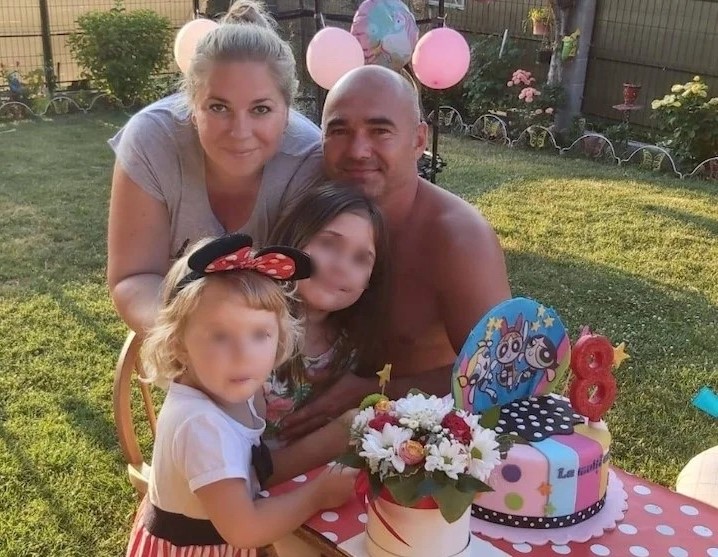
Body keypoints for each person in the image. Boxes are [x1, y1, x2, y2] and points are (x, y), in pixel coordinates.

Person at [280, 65, 512, 440]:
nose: (357, 150)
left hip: (414, 449)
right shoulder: (309, 212)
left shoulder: (458, 238)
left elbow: (501, 374)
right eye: (339, 131)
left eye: (380, 130)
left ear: (419, 140)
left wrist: (373, 392)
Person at [125, 233, 356, 556]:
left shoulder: (239, 391)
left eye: (259, 334)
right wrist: (318, 495)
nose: (243, 355)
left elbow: (252, 468)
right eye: (221, 336)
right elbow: (245, 529)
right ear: (179, 344)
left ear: (279, 337)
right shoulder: (201, 426)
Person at [107, 0, 324, 335]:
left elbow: (308, 293)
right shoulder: (152, 140)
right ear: (193, 108)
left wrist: (250, 349)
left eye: (261, 109)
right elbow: (134, 277)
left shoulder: (308, 158)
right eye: (219, 107)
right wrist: (194, 341)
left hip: (275, 342)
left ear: (287, 112)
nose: (239, 132)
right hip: (176, 333)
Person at [263, 183, 389, 443]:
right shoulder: (251, 326)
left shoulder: (354, 346)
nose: (341, 266)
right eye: (329, 243)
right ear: (292, 241)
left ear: (370, 280)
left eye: (360, 258)